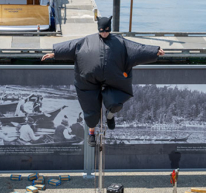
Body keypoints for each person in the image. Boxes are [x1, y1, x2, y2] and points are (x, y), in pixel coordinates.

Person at [42, 16, 164, 146]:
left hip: (113, 79)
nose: (104, 33)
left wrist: (155, 52)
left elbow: (137, 49)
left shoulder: (120, 42)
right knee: (90, 109)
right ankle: (91, 133)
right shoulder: (87, 41)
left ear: (110, 29)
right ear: (98, 29)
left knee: (115, 102)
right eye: (102, 31)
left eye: (106, 30)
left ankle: (110, 116)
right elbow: (72, 46)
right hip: (88, 79)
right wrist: (54, 54)